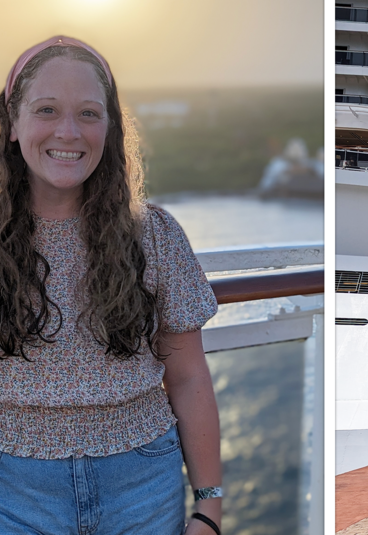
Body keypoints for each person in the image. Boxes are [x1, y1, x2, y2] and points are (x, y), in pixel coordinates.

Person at [0, 37, 222, 534]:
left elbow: (188, 377)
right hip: (12, 492)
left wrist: (209, 508)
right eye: (47, 110)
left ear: (110, 128)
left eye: (88, 114)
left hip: (144, 487)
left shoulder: (155, 236)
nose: (68, 131)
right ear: (13, 124)